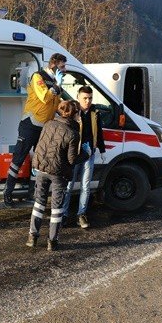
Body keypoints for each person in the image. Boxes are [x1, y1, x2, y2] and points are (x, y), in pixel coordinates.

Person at [3, 53, 67, 207]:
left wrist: (69, 111)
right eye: (62, 66)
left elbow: (57, 103)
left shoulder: (55, 82)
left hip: (45, 128)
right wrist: (57, 86)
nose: (65, 70)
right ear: (53, 65)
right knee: (18, 159)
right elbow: (44, 96)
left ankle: (33, 194)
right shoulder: (37, 76)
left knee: (39, 162)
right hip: (30, 124)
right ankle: (8, 192)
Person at [26, 100, 88, 251]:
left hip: (41, 169)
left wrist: (35, 164)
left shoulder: (48, 124)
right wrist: (86, 154)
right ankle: (52, 241)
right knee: (56, 208)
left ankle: (32, 237)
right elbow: (72, 160)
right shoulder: (73, 133)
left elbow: (40, 144)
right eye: (78, 113)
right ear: (75, 115)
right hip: (58, 173)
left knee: (39, 203)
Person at [61, 86, 107, 229]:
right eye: (85, 98)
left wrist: (102, 149)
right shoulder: (73, 111)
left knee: (86, 186)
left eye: (90, 98)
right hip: (74, 154)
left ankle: (81, 214)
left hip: (89, 153)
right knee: (69, 185)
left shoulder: (95, 112)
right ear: (78, 97)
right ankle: (63, 214)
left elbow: (98, 132)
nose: (88, 101)